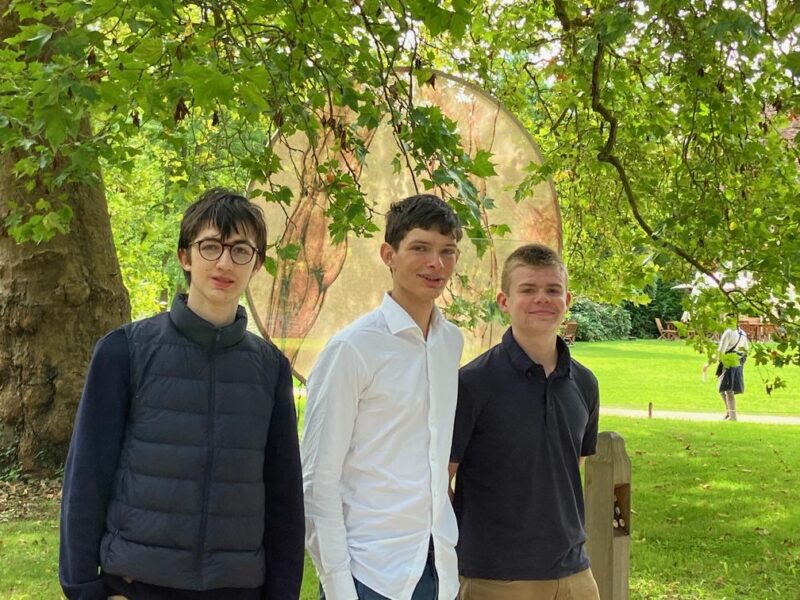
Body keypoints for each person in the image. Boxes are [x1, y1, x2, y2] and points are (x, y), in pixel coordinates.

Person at [59, 188, 305, 600]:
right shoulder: (124, 352)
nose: (224, 262)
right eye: (210, 246)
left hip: (236, 588)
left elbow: (284, 498)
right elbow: (86, 477)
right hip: (139, 585)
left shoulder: (270, 369)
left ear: (257, 264)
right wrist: (85, 589)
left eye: (240, 250)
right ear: (185, 256)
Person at [302, 194, 464, 600]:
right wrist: (339, 587)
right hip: (369, 573)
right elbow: (318, 480)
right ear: (388, 254)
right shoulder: (352, 349)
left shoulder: (450, 343)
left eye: (447, 251)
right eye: (420, 248)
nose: (436, 263)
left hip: (437, 567)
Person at [449, 243, 600, 600]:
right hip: (496, 578)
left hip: (575, 574)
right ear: (504, 302)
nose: (542, 299)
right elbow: (439, 480)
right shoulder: (472, 384)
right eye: (528, 289)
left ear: (568, 300)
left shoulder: (584, 383)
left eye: (553, 290)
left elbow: (570, 465)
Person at [716, 318, 749, 421]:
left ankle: (732, 416)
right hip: (738, 361)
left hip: (728, 361)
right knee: (723, 388)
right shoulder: (743, 333)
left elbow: (721, 350)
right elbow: (746, 350)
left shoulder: (728, 332)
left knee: (727, 389)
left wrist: (718, 361)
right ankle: (729, 412)